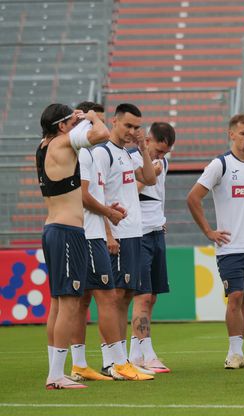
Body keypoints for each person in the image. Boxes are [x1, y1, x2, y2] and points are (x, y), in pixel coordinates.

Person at [187, 114, 244, 370]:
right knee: (235, 295)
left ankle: (238, 353)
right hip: (229, 247)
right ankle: (232, 353)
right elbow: (193, 198)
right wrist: (209, 231)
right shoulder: (220, 164)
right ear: (232, 135)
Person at [37, 103, 110, 389]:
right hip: (68, 232)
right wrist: (90, 117)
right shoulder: (62, 142)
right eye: (71, 120)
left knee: (57, 303)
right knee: (69, 304)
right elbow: (102, 133)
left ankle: (56, 372)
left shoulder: (44, 145)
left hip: (53, 229)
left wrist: (75, 119)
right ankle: (56, 375)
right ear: (62, 125)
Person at [92, 103, 156, 381]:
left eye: (137, 127)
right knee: (115, 297)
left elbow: (150, 179)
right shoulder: (103, 153)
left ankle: (121, 359)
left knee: (126, 296)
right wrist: (107, 233)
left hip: (134, 232)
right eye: (128, 126)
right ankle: (112, 360)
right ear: (115, 122)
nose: (132, 131)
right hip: (116, 233)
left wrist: (142, 148)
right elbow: (96, 196)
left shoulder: (128, 154)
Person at [67, 102, 124, 382]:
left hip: (92, 233)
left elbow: (92, 197)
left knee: (83, 301)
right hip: (89, 236)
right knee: (108, 298)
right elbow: (84, 196)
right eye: (92, 121)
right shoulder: (84, 154)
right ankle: (115, 363)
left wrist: (107, 213)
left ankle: (79, 365)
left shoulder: (88, 155)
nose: (99, 126)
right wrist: (109, 213)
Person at [128, 122, 176, 373]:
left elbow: (157, 189)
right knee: (142, 296)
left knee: (152, 297)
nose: (161, 156)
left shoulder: (162, 163)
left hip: (156, 232)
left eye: (165, 152)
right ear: (147, 140)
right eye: (158, 150)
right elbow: (130, 191)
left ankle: (135, 354)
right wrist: (146, 175)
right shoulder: (128, 160)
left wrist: (161, 220)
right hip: (138, 235)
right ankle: (147, 353)